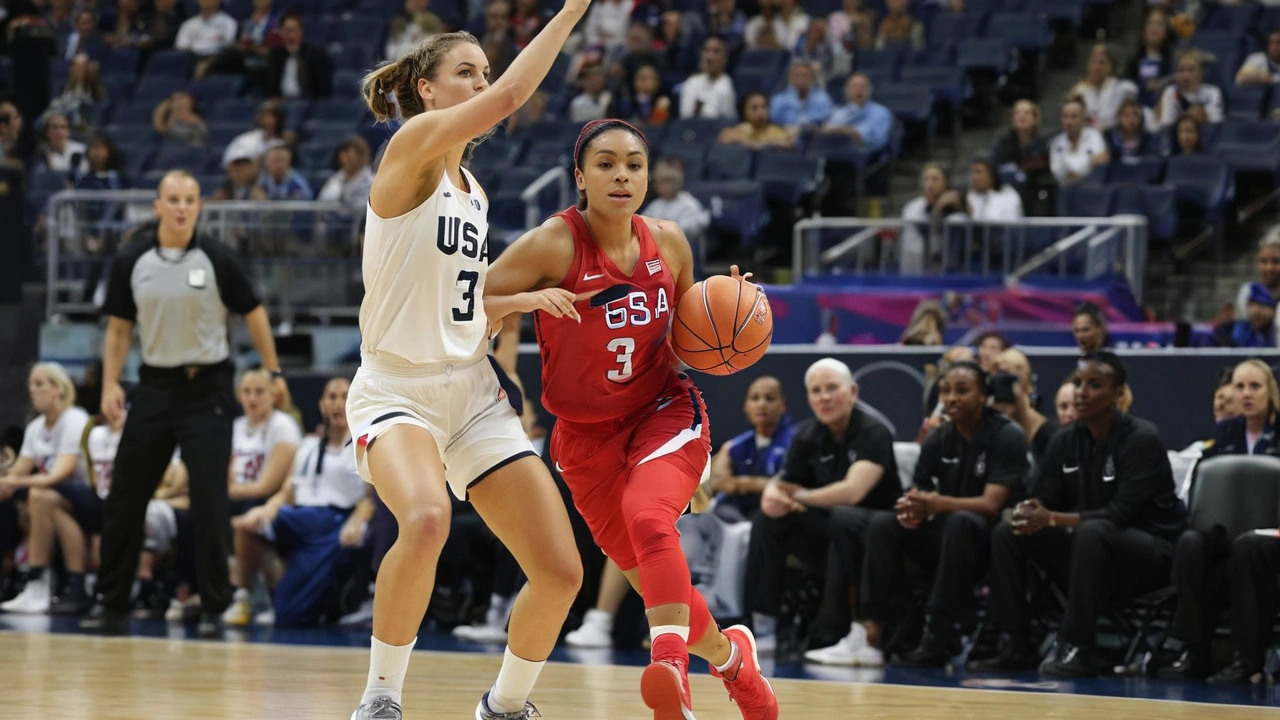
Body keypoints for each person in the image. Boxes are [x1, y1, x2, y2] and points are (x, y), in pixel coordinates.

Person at [484, 118, 779, 720]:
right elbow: (472, 301)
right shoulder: (553, 245)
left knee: (649, 519)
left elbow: (693, 336)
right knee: (657, 585)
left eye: (634, 165)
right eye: (607, 164)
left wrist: (732, 309)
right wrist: (523, 308)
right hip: (582, 441)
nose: (622, 175)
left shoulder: (670, 242)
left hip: (663, 411)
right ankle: (733, 662)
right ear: (580, 177)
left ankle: (669, 667)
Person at [346, 11, 593, 719]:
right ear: (427, 90)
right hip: (398, 388)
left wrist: (524, 298)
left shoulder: (475, 193)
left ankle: (505, 706)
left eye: (485, 74)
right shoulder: (413, 147)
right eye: (467, 73)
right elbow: (517, 95)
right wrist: (572, 11)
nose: (483, 85)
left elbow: (459, 301)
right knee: (425, 519)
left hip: (472, 392)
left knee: (558, 570)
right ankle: (381, 698)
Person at [82, 170, 288, 639]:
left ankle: (215, 605)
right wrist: (111, 382)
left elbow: (254, 313)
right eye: (172, 199)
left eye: (189, 200)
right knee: (126, 496)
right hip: (153, 386)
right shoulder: (132, 258)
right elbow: (117, 328)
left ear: (199, 207)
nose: (181, 207)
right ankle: (112, 601)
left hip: (208, 389)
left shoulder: (218, 258)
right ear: (157, 205)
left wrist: (273, 373)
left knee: (210, 500)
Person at [969, 352, 1186, 677]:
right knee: (1009, 532)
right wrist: (1025, 513)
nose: (1081, 392)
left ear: (1118, 394)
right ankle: (1016, 642)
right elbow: (1042, 499)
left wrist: (1054, 519)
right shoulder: (1065, 440)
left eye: (1094, 385)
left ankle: (1077, 646)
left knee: (1093, 530)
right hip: (1088, 555)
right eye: (1078, 383)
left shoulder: (1142, 439)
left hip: (1148, 558)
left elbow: (1120, 514)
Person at [1157, 359, 1280, 680]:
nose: (1246, 394)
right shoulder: (1226, 432)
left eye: (1255, 386)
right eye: (1240, 387)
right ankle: (1193, 650)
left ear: (1271, 392)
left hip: (1268, 537)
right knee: (1191, 543)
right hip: (1228, 532)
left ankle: (1246, 660)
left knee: (1246, 549)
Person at [679, 375, 792, 620]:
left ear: (782, 406)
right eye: (755, 398)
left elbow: (789, 486)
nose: (762, 404)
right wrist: (745, 484)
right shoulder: (736, 446)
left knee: (736, 534)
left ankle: (727, 613)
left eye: (770, 399)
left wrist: (743, 483)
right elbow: (710, 484)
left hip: (771, 521)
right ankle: (681, 611)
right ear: (746, 406)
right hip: (732, 513)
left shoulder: (796, 441)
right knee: (687, 524)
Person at [0, 363, 93, 615]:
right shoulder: (35, 427)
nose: (32, 390)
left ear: (58, 389)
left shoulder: (75, 419)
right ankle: (65, 584)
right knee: (33, 498)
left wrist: (13, 482)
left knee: (39, 495)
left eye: (39, 384)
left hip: (88, 496)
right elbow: (16, 473)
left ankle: (38, 584)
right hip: (53, 499)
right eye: (31, 384)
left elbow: (61, 473)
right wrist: (4, 483)